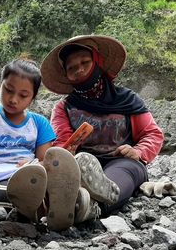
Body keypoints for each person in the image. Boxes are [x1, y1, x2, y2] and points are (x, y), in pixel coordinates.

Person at [40, 35, 164, 221]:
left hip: (122, 161)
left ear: (97, 62)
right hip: (83, 163)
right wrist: (68, 151)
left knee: (124, 172)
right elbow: (62, 142)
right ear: (67, 75)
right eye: (72, 68)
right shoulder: (64, 108)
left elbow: (152, 134)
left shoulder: (127, 99)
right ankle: (68, 204)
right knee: (72, 169)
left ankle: (91, 207)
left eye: (85, 62)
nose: (79, 70)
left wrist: (138, 151)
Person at [0, 58, 66, 223]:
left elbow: (44, 162)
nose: (13, 99)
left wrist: (34, 166)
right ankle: (43, 209)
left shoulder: (40, 124)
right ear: (1, 84)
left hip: (29, 178)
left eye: (23, 95)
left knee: (42, 183)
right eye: (8, 90)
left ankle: (65, 205)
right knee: (9, 192)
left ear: (32, 98)